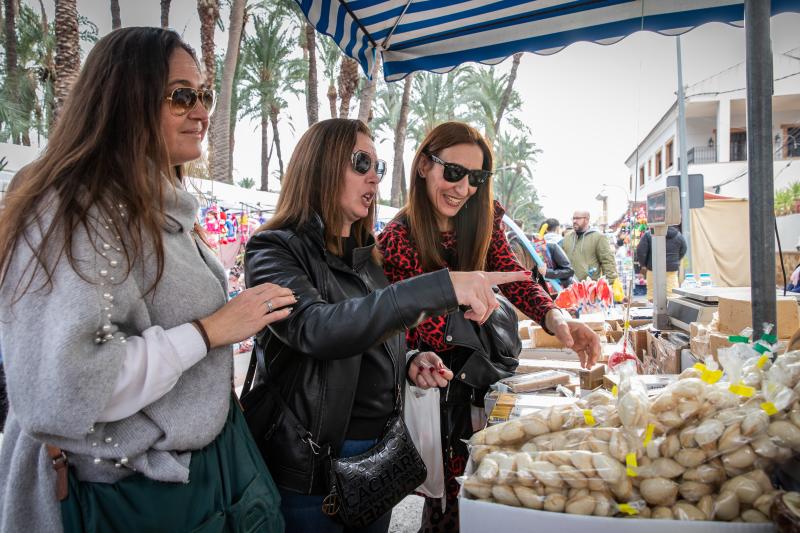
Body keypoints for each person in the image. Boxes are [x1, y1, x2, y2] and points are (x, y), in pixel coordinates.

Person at [0, 28, 288, 532]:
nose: (202, 112)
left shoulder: (160, 205)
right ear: (124, 100)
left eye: (204, 95)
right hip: (122, 489)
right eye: (182, 96)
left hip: (180, 473)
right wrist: (210, 331)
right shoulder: (77, 210)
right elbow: (65, 390)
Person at [243, 118, 529, 533]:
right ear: (320, 164)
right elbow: (317, 328)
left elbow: (369, 326)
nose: (373, 178)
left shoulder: (363, 254)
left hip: (377, 458)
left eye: (377, 167)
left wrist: (409, 358)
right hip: (313, 470)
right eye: (361, 163)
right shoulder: (274, 249)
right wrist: (442, 286)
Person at [378, 121, 601, 531]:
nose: (463, 188)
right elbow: (391, 322)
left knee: (483, 492)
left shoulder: (482, 220)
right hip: (435, 388)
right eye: (454, 172)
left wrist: (557, 317)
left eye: (476, 178)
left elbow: (514, 276)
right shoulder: (396, 238)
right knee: (450, 501)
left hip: (484, 379)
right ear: (425, 165)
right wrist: (453, 302)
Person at [562, 210, 619, 282]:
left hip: (589, 286)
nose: (574, 221)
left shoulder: (599, 237)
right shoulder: (567, 237)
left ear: (586, 219)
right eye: (573, 218)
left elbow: (608, 263)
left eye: (578, 218)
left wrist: (609, 285)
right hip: (569, 286)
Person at [636, 225, 688, 300]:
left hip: (653, 269)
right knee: (672, 295)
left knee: (653, 296)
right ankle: (671, 311)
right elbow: (684, 249)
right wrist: (675, 260)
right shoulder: (678, 235)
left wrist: (644, 264)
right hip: (671, 270)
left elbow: (641, 251)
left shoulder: (649, 234)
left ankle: (654, 311)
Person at [538, 218, 574, 289]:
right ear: (557, 228)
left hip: (549, 287)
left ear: (546, 229)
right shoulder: (564, 242)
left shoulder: (536, 245)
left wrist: (548, 273)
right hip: (561, 287)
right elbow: (569, 269)